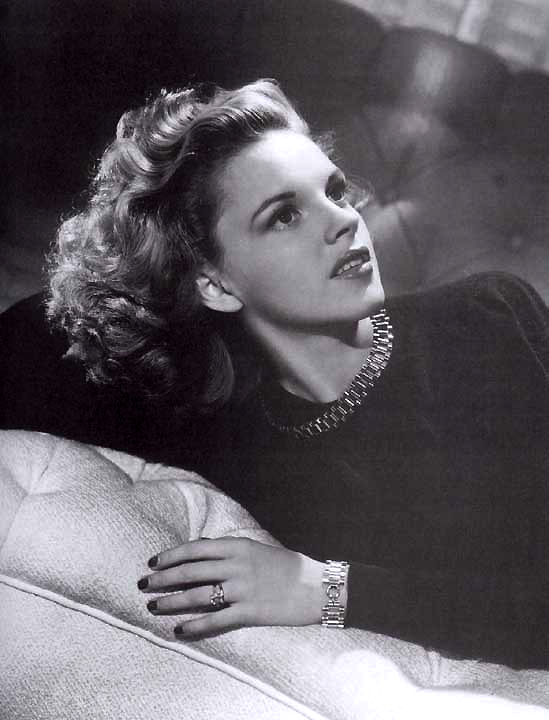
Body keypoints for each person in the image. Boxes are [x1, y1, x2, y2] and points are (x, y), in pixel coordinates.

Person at [47, 79, 549, 669]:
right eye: (284, 215)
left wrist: (326, 589)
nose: (343, 220)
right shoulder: (229, 438)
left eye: (334, 191)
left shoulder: (486, 322)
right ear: (214, 284)